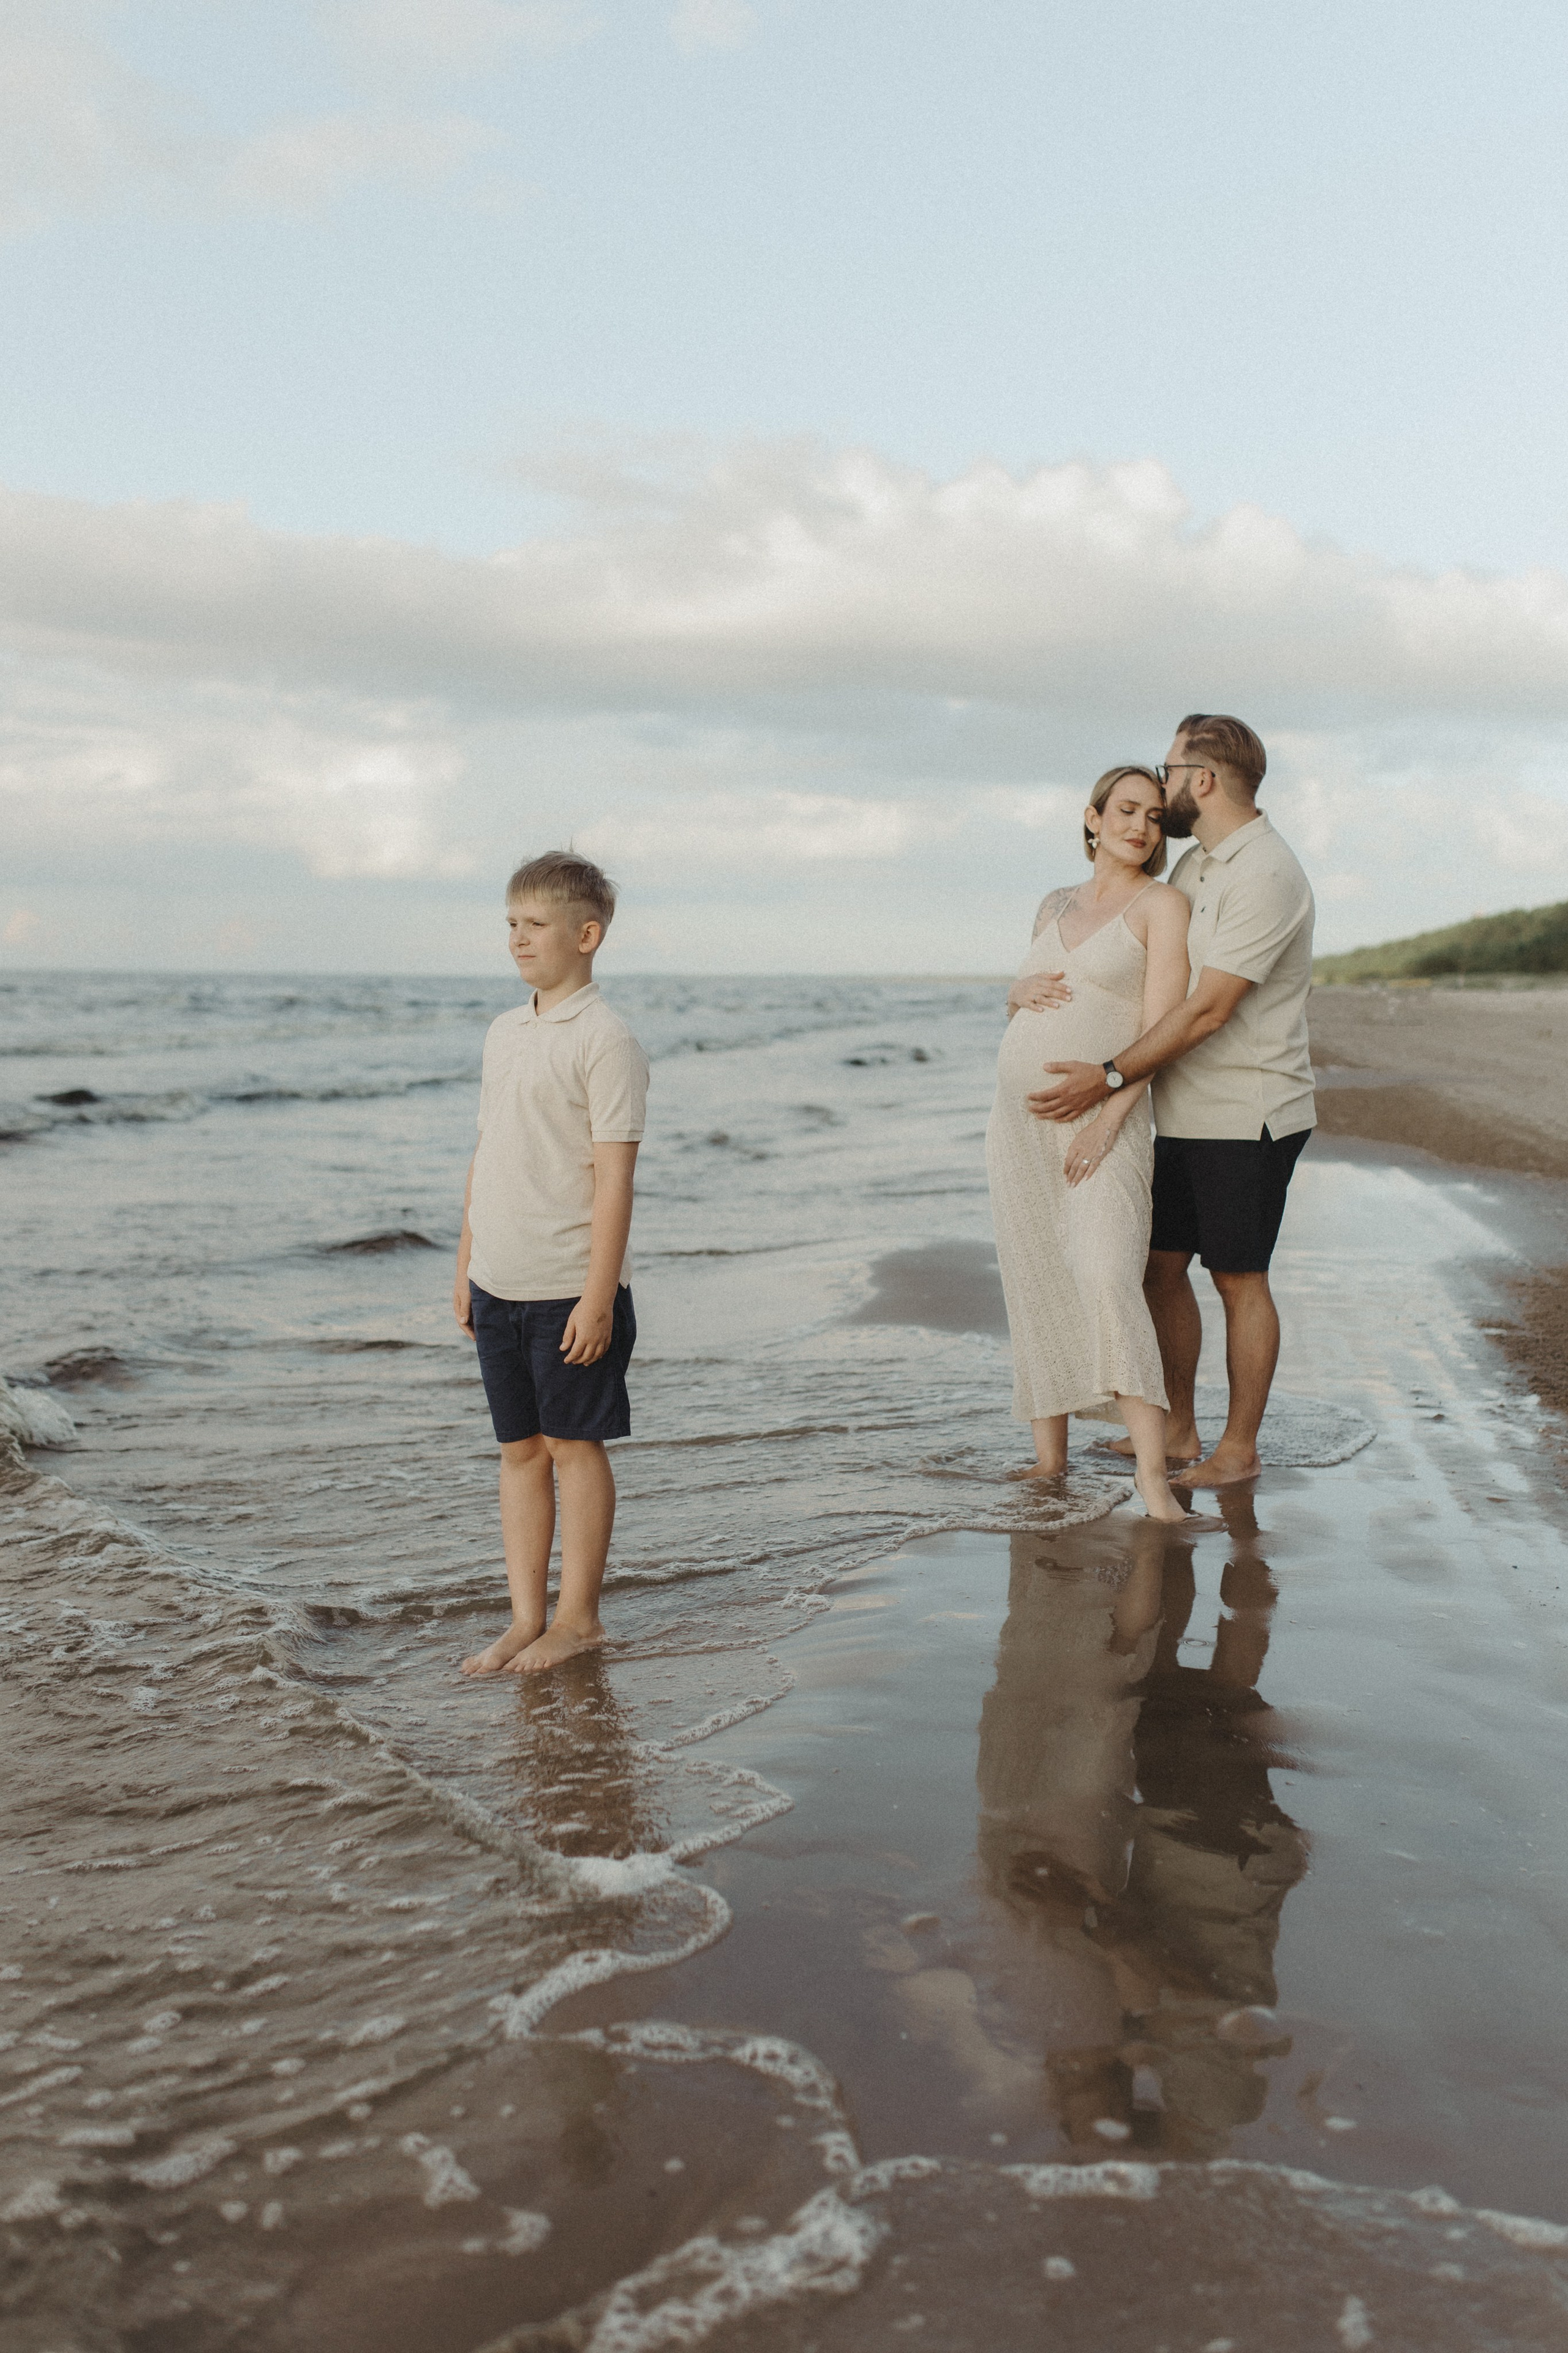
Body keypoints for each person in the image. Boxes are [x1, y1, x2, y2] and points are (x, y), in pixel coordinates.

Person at [1026, 716, 1315, 1487]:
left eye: (1170, 769)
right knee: (1160, 1267)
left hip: (1246, 1110)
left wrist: (1110, 1075)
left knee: (1238, 1278)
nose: (1160, 788)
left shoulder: (1267, 872)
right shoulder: (1194, 868)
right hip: (1180, 1111)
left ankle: (1238, 1447)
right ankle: (1179, 1429)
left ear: (1204, 780)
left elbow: (1208, 1009)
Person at [453, 851, 649, 1675]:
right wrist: (466, 1262)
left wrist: (598, 1297)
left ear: (587, 934)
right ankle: (525, 1617)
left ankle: (580, 1619)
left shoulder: (606, 1039)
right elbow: (487, 1150)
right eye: (511, 925)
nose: (518, 940)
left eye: (534, 926)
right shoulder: (505, 1031)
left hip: (572, 1285)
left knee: (575, 1447)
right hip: (500, 1278)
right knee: (520, 1453)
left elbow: (614, 1179)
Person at [986, 766, 1193, 1521]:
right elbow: (1024, 991)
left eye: (1153, 816)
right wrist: (1012, 994)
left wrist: (1109, 1115)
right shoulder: (1052, 902)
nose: (1140, 825)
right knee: (1036, 1274)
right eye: (1126, 810)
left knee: (1107, 1274)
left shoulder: (1161, 905)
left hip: (1105, 1121)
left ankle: (1150, 1475)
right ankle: (1049, 1459)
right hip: (1017, 1130)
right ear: (1093, 817)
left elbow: (1161, 1029)